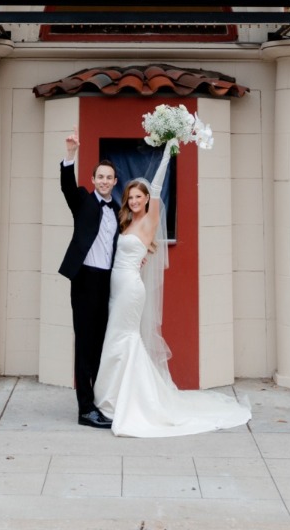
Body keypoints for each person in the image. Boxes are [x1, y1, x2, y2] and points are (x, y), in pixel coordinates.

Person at [93, 140, 252, 437]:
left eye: (140, 197)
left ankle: (129, 398)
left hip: (129, 289)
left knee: (123, 338)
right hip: (117, 287)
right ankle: (114, 393)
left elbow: (157, 186)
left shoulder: (149, 222)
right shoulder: (127, 221)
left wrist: (167, 153)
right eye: (132, 197)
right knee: (116, 337)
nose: (136, 201)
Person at [59, 131, 118, 428]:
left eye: (110, 177)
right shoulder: (83, 200)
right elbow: (67, 187)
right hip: (84, 281)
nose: (105, 181)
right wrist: (70, 156)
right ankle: (85, 410)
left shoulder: (118, 211)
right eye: (101, 177)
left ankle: (98, 399)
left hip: (107, 282)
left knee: (100, 344)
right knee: (84, 344)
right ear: (94, 180)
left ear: (115, 182)